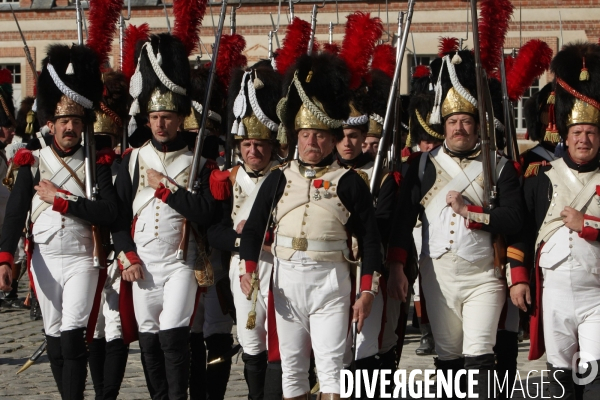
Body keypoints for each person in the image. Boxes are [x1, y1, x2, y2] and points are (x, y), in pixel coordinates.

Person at [240, 52, 382, 400]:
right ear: (296, 136)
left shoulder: (349, 181)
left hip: (330, 282)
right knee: (292, 369)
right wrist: (249, 269)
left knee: (333, 368)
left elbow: (370, 239)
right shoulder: (277, 179)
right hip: (287, 279)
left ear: (332, 139)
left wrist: (366, 291)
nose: (312, 142)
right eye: (306, 135)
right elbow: (254, 230)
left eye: (320, 135)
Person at [386, 48, 524, 399]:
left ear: (477, 125)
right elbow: (403, 221)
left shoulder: (500, 165)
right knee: (448, 358)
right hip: (438, 276)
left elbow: (514, 217)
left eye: (466, 121)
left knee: (479, 354)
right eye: (452, 122)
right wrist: (399, 266)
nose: (459, 128)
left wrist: (471, 213)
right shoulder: (421, 165)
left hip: (484, 276)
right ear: (442, 125)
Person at [0, 43, 116, 399]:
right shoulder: (31, 162)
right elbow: (15, 214)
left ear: (84, 125)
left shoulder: (98, 164)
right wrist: (5, 259)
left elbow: (110, 213)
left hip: (84, 258)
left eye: (76, 121)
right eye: (64, 121)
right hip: (45, 259)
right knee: (53, 335)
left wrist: (63, 201)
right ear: (50, 124)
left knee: (73, 331)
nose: (70, 127)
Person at [112, 33, 216, 399]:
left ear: (180, 118)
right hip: (142, 263)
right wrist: (127, 255)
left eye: (166, 117)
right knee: (149, 338)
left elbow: (204, 212)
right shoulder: (135, 157)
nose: (159, 125)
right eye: (154, 117)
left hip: (180, 263)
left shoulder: (198, 161)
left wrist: (168, 190)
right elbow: (118, 214)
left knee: (174, 333)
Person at [517, 42, 600, 399]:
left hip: (596, 295)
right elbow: (522, 231)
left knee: (594, 377)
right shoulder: (539, 177)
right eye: (577, 133)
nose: (584, 139)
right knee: (560, 382)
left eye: (591, 133)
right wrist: (518, 279)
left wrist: (587, 225)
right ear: (564, 137)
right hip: (553, 294)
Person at [209, 64, 284, 400]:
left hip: (282, 264)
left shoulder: (286, 177)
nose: (253, 151)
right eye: (247, 144)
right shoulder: (226, 180)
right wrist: (243, 240)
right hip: (244, 267)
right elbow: (215, 231)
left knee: (285, 341)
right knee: (252, 341)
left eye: (260, 144)